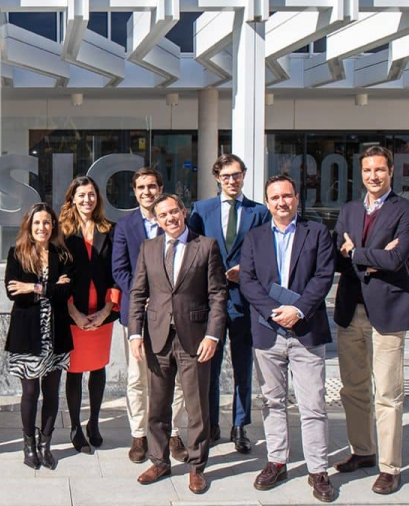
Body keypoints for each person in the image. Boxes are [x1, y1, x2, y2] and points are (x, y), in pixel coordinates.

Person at [238, 175, 337, 503]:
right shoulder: (254, 237)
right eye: (275, 197)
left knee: (313, 404)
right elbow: (248, 281)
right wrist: (274, 312)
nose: (282, 202)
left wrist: (298, 309)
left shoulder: (317, 232)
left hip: (306, 330)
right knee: (272, 401)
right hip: (268, 332)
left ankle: (318, 469)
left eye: (287, 196)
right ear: (267, 202)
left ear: (296, 198)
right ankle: (277, 461)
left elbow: (324, 276)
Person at [333, 145, 409, 495]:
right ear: (361, 173)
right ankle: (363, 450)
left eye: (380, 169)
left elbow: (397, 259)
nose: (374, 176)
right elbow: (337, 259)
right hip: (350, 309)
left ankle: (390, 467)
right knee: (353, 388)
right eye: (368, 170)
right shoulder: (349, 210)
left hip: (388, 312)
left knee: (387, 393)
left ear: (391, 171)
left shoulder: (407, 210)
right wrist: (372, 258)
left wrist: (355, 252)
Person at [128, 193, 227, 495]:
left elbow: (218, 294)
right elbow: (137, 293)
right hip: (157, 338)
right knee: (158, 406)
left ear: (183, 212)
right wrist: (135, 333)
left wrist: (212, 335)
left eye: (174, 212)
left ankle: (196, 467)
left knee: (197, 407)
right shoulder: (148, 248)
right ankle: (159, 461)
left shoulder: (206, 246)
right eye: (163, 215)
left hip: (195, 339)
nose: (170, 218)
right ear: (157, 220)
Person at [190, 153, 270, 452]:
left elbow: (268, 252)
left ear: (244, 175)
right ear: (217, 178)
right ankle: (211, 423)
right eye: (226, 176)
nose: (232, 181)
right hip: (210, 301)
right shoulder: (201, 210)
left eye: (237, 175)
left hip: (244, 300)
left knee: (242, 366)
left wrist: (246, 269)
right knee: (209, 365)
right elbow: (192, 250)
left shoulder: (259, 212)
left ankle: (239, 425)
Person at [112, 167, 188, 463]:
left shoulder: (175, 220)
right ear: (134, 192)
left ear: (160, 188)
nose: (147, 192)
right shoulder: (125, 226)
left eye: (152, 186)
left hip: (173, 314)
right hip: (138, 313)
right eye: (141, 187)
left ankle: (173, 433)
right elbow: (119, 269)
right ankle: (139, 434)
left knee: (175, 379)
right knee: (137, 378)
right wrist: (143, 294)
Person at [4, 203, 74, 470]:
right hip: (27, 334)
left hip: (56, 335)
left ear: (53, 225)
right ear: (29, 226)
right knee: (30, 391)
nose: (42, 227)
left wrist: (32, 287)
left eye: (46, 222)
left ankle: (46, 444)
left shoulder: (62, 255)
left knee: (52, 392)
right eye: (36, 223)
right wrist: (50, 288)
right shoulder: (17, 253)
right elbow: (13, 292)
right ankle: (29, 445)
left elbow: (65, 293)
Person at [58, 176, 120, 454]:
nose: (87, 199)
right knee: (74, 370)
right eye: (81, 195)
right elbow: (59, 274)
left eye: (91, 194)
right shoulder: (61, 232)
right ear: (72, 198)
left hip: (103, 312)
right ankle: (75, 426)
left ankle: (94, 422)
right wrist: (73, 311)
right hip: (73, 312)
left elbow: (118, 271)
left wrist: (107, 309)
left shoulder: (111, 229)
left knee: (97, 367)